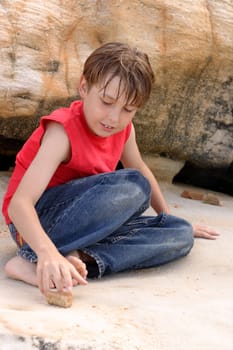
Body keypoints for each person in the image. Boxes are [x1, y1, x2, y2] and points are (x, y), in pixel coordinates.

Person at [2, 42, 219, 297]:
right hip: (34, 224)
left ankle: (76, 260)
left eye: (128, 109)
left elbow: (139, 166)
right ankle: (39, 258)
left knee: (178, 234)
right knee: (135, 185)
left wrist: (166, 219)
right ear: (84, 87)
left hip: (86, 223)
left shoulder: (123, 130)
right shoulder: (63, 132)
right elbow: (19, 205)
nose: (113, 118)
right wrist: (45, 251)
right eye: (106, 102)